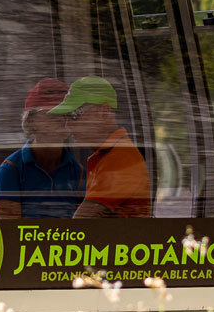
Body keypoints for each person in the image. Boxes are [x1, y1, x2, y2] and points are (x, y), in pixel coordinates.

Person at [50, 75, 152, 220]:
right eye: (66, 117)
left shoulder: (120, 158)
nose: (68, 125)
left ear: (103, 111)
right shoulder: (111, 154)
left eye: (74, 115)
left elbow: (79, 226)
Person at [0, 78, 85, 221]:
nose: (63, 119)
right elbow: (8, 232)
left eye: (68, 113)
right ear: (32, 120)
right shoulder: (11, 170)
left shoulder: (78, 172)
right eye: (54, 112)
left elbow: (85, 228)